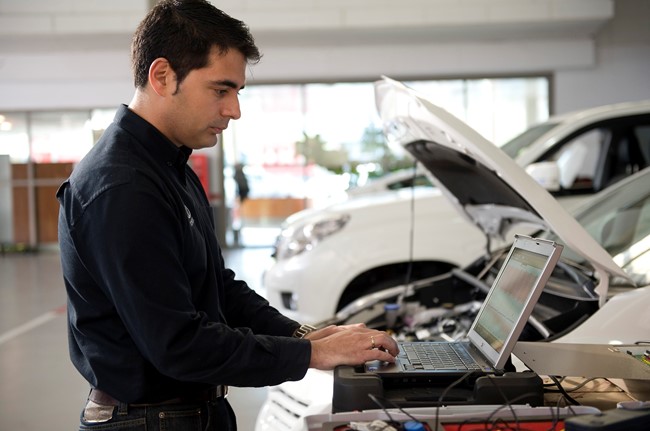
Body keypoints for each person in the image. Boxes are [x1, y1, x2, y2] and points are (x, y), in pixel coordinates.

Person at [56, 1, 398, 430]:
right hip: (152, 420)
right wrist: (312, 355)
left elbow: (216, 287)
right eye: (221, 90)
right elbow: (178, 344)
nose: (234, 110)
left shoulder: (169, 166)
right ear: (162, 76)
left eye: (237, 92)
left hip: (187, 411)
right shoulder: (123, 187)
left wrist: (304, 336)